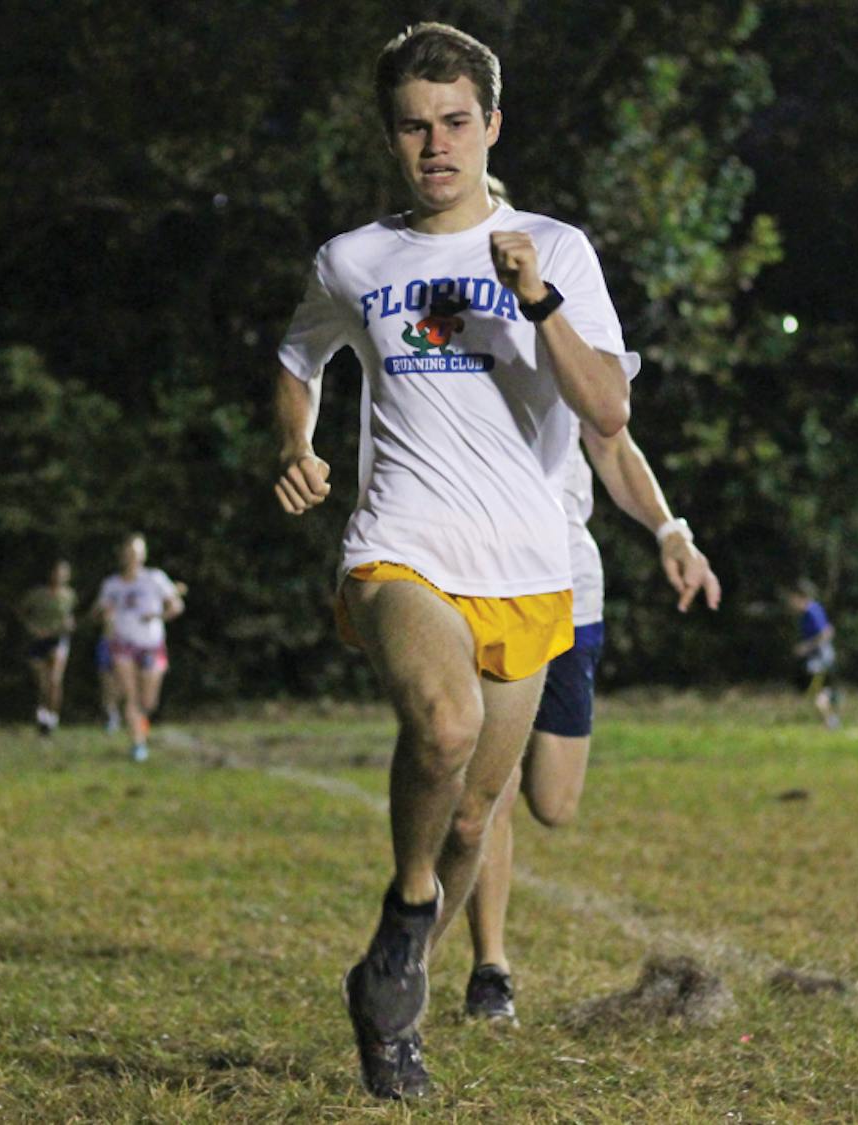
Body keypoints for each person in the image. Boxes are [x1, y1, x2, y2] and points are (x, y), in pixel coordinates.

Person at [272, 22, 636, 1099]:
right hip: (401, 547)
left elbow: (609, 407)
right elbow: (300, 358)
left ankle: (399, 972)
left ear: (491, 126)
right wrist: (295, 442)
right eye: (413, 127)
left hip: (530, 570)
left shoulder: (555, 250)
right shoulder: (353, 259)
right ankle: (414, 916)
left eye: (455, 123)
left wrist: (537, 299)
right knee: (444, 723)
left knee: (482, 810)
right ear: (391, 137)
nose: (436, 146)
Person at [461, 426, 721, 1024]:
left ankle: (498, 765)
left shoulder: (566, 334)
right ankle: (490, 970)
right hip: (487, 580)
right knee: (492, 781)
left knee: (555, 803)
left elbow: (612, 439)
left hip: (570, 587)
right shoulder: (457, 339)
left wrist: (671, 531)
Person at [92, 533, 184, 762]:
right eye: (129, 552)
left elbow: (176, 606)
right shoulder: (111, 584)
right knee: (130, 697)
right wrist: (104, 613)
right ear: (122, 555)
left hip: (152, 645)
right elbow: (96, 612)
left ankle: (141, 724)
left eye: (137, 551)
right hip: (123, 645)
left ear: (143, 555)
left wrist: (158, 614)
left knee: (148, 702)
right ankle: (138, 744)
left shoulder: (155, 578)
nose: (133, 556)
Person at [19, 559, 76, 734]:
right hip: (38, 640)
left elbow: (70, 618)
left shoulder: (69, 595)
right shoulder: (37, 594)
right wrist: (32, 628)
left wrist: (69, 625)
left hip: (58, 639)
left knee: (55, 680)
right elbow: (21, 612)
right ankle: (42, 714)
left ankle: (53, 717)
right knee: (42, 682)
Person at [785, 579, 841, 729]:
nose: (790, 602)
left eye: (792, 598)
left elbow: (826, 633)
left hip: (820, 657)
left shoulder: (811, 611)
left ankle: (831, 722)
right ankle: (832, 717)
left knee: (816, 692)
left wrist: (805, 647)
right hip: (821, 656)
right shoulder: (811, 610)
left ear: (800, 597)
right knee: (821, 691)